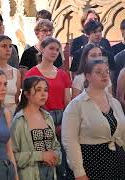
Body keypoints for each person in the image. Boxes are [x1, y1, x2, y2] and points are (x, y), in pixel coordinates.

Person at [62, 60, 125, 180]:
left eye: (106, 71)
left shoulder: (115, 103)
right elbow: (70, 141)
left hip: (117, 164)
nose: (104, 74)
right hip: (91, 164)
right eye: (98, 72)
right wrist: (79, 172)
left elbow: (122, 135)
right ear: (88, 76)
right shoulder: (76, 105)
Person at [24, 36, 71, 179]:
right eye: (51, 48)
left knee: (61, 161)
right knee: (43, 160)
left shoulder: (63, 74)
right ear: (42, 49)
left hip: (61, 117)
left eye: (57, 50)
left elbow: (67, 101)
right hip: (40, 116)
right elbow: (27, 100)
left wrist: (65, 123)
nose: (54, 52)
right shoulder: (31, 73)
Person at [11, 76, 61, 180]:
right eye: (38, 90)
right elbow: (12, 157)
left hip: (51, 173)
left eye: (46, 90)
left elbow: (56, 146)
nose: (43, 94)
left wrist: (56, 155)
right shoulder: (19, 120)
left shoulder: (47, 117)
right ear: (27, 93)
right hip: (30, 175)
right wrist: (40, 156)